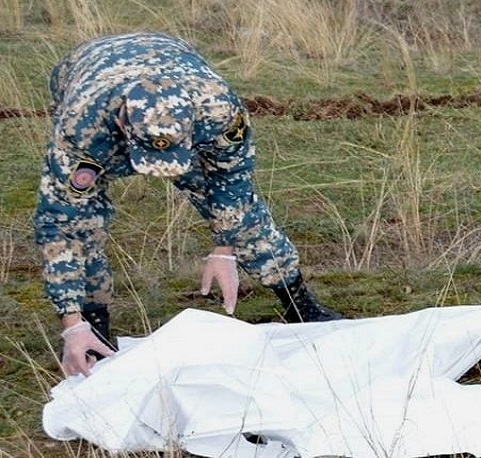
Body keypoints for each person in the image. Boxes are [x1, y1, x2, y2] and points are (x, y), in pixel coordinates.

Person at [33, 32, 343, 378]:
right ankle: (92, 329)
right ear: (123, 124)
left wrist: (224, 247)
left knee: (243, 218)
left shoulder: (217, 109)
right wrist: (71, 324)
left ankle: (298, 301)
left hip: (171, 53)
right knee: (83, 228)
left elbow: (232, 180)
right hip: (86, 67)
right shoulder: (81, 127)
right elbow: (60, 225)